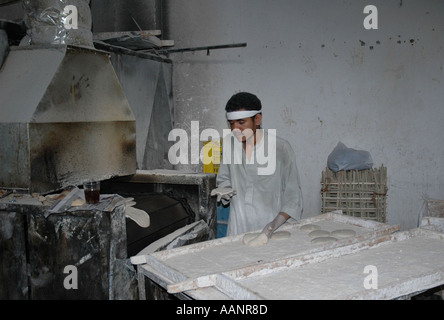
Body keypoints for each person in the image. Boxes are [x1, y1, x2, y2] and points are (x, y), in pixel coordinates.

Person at [212, 92, 303, 247]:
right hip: (237, 231)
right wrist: (225, 189)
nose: (235, 129)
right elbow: (224, 177)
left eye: (241, 122)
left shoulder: (280, 148)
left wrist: (271, 227)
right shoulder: (230, 145)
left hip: (271, 233)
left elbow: (293, 198)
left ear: (258, 119)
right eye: (231, 123)